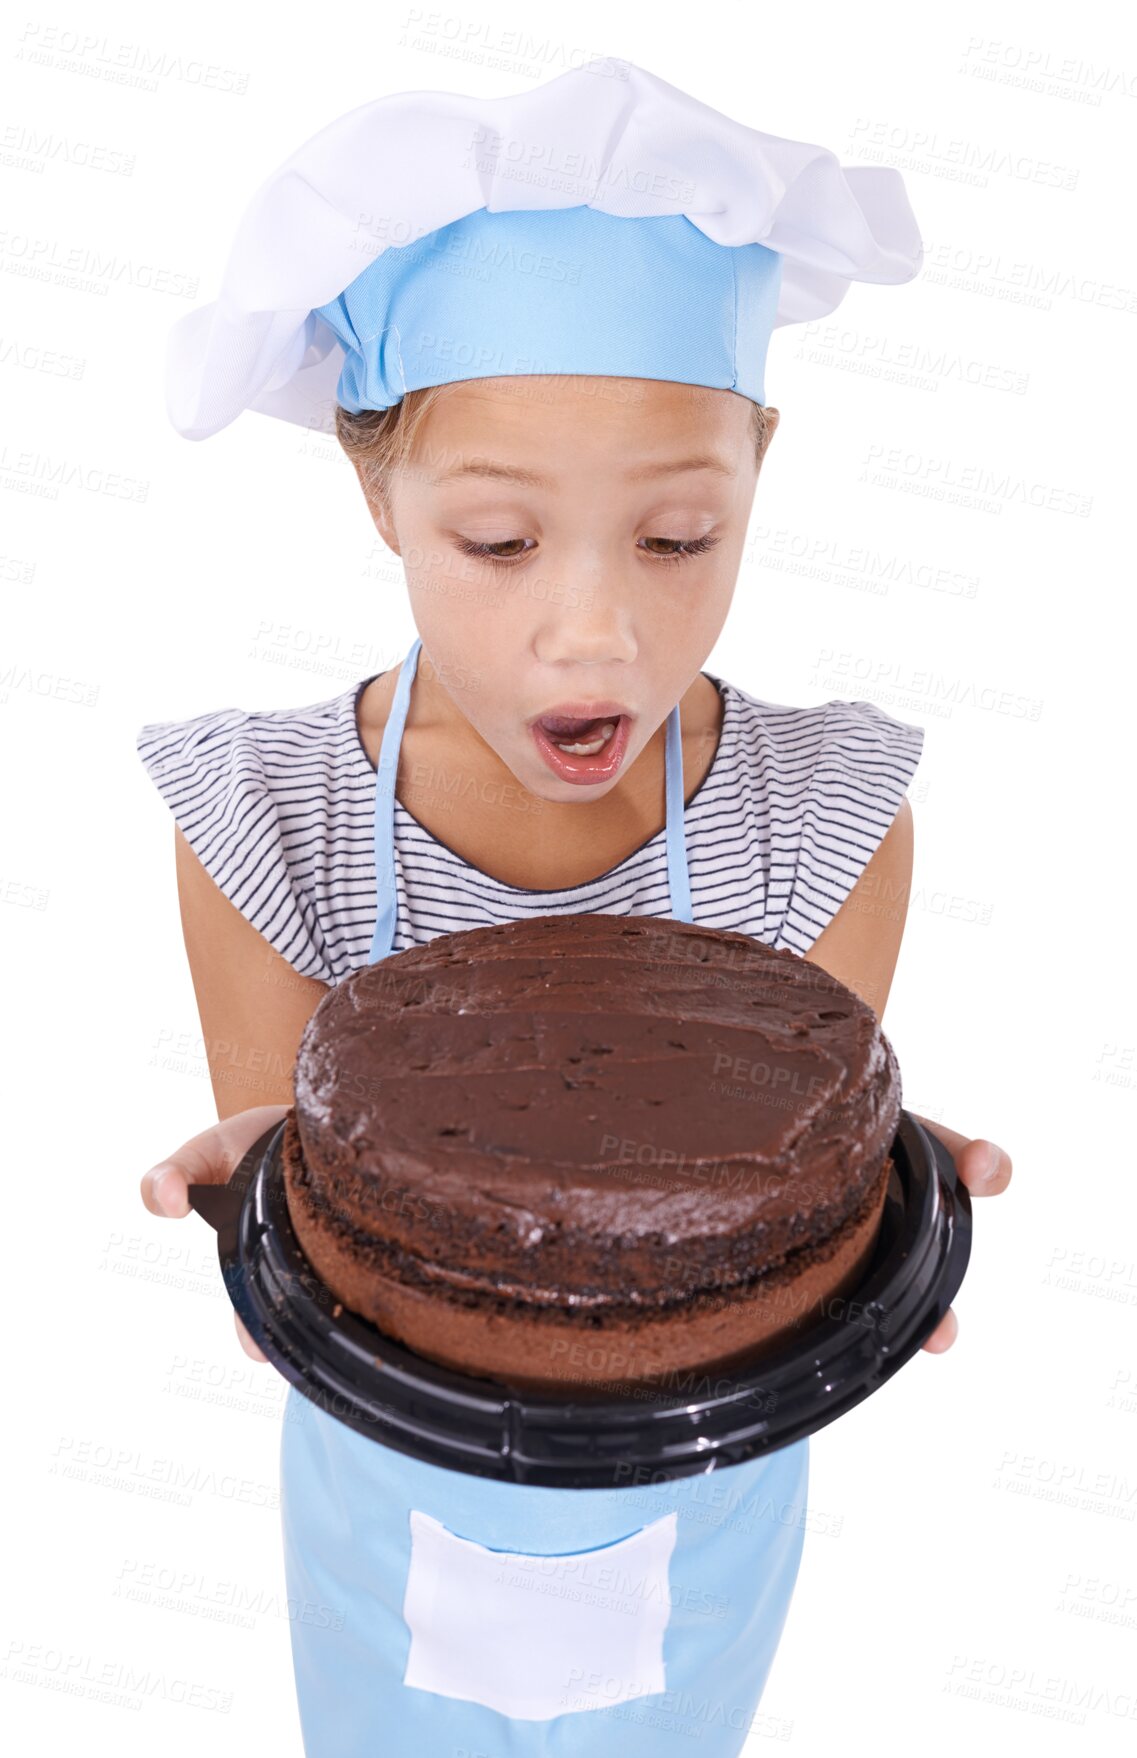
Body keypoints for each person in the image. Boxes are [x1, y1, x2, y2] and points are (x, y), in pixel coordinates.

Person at [136, 57, 1012, 1756]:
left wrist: (859, 1189)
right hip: (385, 1501)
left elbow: (772, 1167)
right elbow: (308, 1196)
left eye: (678, 535)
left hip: (713, 1496)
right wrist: (256, 1164)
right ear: (379, 496)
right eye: (497, 542)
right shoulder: (271, 819)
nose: (593, 632)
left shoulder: (816, 817)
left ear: (756, 474)